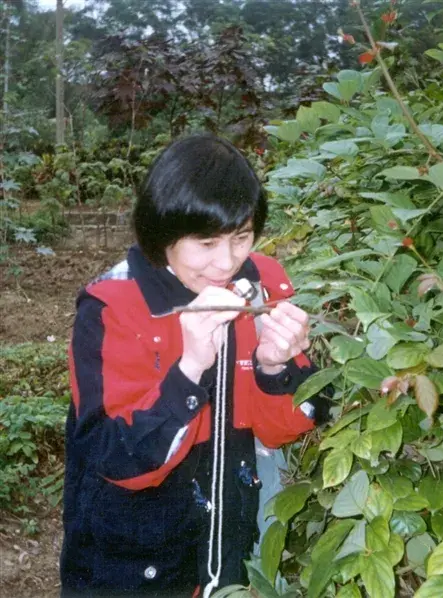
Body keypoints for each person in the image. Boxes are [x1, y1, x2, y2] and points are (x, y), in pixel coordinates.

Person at [60, 133, 330, 597]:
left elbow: (285, 429)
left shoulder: (261, 283)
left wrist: (273, 367)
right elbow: (115, 458)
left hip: (229, 551)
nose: (226, 261)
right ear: (163, 231)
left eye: (241, 237)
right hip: (130, 568)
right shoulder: (114, 305)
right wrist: (188, 372)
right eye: (205, 243)